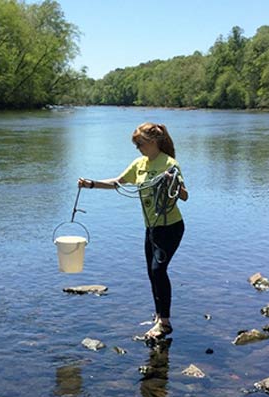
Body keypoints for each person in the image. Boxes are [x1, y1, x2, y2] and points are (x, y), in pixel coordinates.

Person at [78, 122, 188, 340]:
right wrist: (91, 184)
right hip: (151, 228)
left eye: (140, 144)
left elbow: (184, 196)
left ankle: (164, 323)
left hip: (171, 227)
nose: (138, 148)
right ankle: (158, 316)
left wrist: (171, 184)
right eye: (136, 145)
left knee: (158, 271)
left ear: (153, 141)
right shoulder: (139, 164)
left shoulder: (169, 163)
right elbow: (118, 182)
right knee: (152, 273)